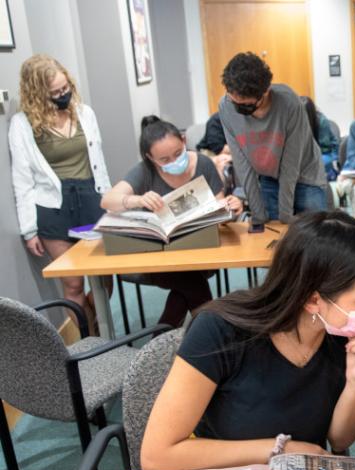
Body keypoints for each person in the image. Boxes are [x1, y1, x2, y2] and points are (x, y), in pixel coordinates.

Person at [140, 211, 355, 470]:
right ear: (313, 301)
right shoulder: (221, 330)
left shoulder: (344, 333)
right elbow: (157, 455)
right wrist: (280, 449)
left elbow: (341, 439)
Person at [101, 116, 243, 328]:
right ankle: (209, 334)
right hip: (161, 259)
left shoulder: (202, 163)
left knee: (189, 283)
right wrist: (136, 199)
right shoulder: (144, 171)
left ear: (184, 140)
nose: (174, 161)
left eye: (178, 153)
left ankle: (161, 343)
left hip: (201, 251)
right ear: (150, 158)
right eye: (164, 160)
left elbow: (219, 208)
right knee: (192, 282)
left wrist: (232, 206)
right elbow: (107, 201)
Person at [8, 54, 111, 327]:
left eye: (65, 88)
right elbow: (22, 180)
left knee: (105, 278)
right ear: (38, 94)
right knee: (73, 283)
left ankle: (93, 319)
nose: (63, 94)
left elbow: (100, 164)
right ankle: (87, 342)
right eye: (55, 92)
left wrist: (111, 201)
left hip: (91, 199)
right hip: (54, 209)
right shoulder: (22, 124)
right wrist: (29, 230)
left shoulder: (84, 113)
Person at [218, 52, 327, 226]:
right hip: (269, 176)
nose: (239, 109)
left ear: (266, 91)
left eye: (246, 105)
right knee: (271, 238)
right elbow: (242, 164)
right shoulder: (226, 107)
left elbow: (291, 164)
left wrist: (285, 216)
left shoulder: (288, 102)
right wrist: (258, 216)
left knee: (315, 236)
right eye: (234, 102)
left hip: (306, 176)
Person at [300, 96, 340, 181]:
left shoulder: (321, 121)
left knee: (313, 165)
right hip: (309, 154)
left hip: (326, 153)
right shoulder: (296, 121)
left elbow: (325, 148)